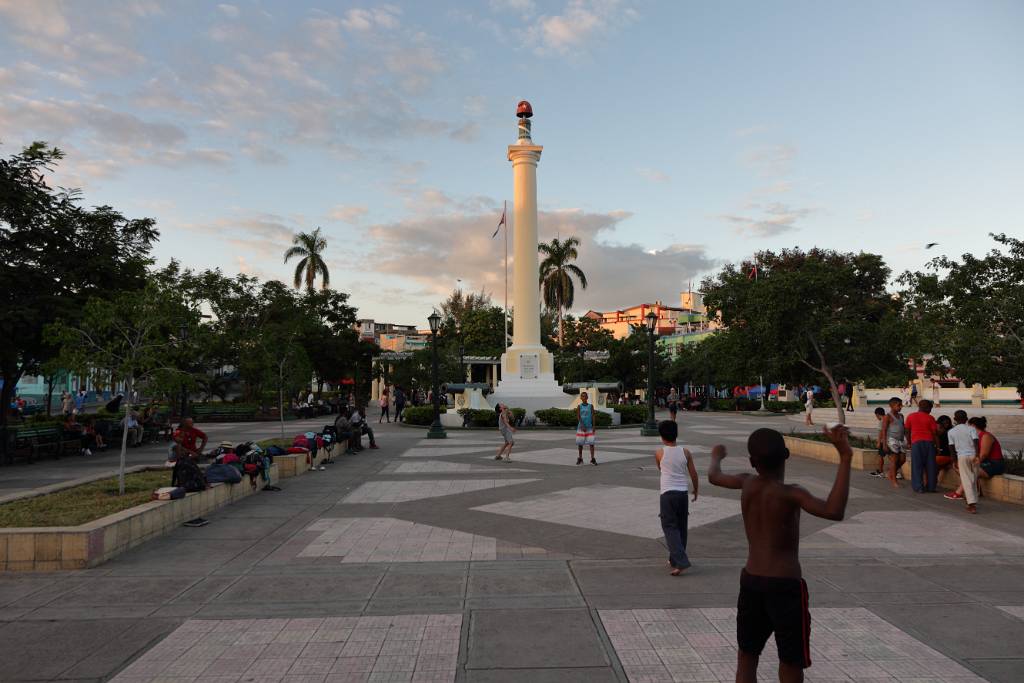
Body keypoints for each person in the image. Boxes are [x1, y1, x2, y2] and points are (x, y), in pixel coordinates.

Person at [708, 426, 852, 683]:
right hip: (785, 588)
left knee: (747, 656)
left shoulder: (747, 482)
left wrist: (716, 456)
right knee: (790, 661)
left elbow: (714, 476)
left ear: (753, 462)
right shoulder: (792, 493)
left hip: (751, 581)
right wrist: (845, 457)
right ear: (787, 455)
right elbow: (834, 510)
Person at [655, 420, 699, 576]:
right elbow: (693, 473)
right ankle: (674, 558)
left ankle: (681, 562)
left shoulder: (659, 453)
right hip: (682, 494)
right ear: (676, 434)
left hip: (667, 494)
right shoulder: (685, 452)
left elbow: (660, 468)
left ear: (661, 436)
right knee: (681, 527)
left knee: (669, 527)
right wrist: (696, 490)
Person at [944, 410, 980, 513]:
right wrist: (977, 455)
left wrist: (954, 461)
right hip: (973, 455)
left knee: (967, 480)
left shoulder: (951, 432)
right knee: (973, 479)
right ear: (966, 419)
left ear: (955, 419)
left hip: (962, 457)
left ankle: (971, 504)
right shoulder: (971, 429)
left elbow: (951, 448)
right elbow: (976, 442)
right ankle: (972, 500)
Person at [905, 399, 940, 493]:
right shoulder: (930, 418)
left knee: (917, 466)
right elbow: (935, 433)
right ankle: (931, 487)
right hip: (929, 443)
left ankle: (918, 487)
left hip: (916, 443)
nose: (931, 410)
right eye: (930, 408)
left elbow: (907, 431)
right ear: (927, 408)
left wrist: (909, 442)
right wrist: (938, 446)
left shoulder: (910, 416)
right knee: (931, 466)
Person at [879, 397, 907, 488]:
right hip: (892, 440)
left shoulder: (901, 416)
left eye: (901, 405)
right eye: (898, 405)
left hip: (901, 440)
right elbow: (884, 430)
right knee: (894, 460)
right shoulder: (888, 417)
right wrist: (884, 443)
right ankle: (894, 480)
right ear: (891, 406)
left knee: (902, 459)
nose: (900, 407)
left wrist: (908, 440)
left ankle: (891, 472)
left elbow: (903, 428)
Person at [974, 416, 1006, 483]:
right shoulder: (976, 437)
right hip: (985, 462)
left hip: (994, 464)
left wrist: (972, 463)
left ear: (973, 426)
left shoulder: (986, 436)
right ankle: (975, 491)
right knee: (964, 469)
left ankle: (958, 493)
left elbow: (983, 455)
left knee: (969, 471)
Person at [575, 391, 597, 465]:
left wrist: (594, 426)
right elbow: (578, 416)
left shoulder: (591, 406)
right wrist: (582, 425)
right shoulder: (579, 406)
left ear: (587, 397)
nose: (584, 397)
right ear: (581, 398)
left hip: (589, 427)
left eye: (585, 396)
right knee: (580, 444)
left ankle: (592, 458)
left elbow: (593, 416)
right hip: (581, 428)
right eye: (582, 396)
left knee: (591, 443)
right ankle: (580, 458)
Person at [868, 407, 886, 478]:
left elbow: (881, 432)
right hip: (890, 440)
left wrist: (878, 442)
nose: (876, 417)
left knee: (880, 456)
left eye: (876, 416)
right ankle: (895, 472)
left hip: (883, 441)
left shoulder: (881, 421)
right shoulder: (888, 419)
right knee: (892, 457)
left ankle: (880, 471)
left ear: (878, 414)